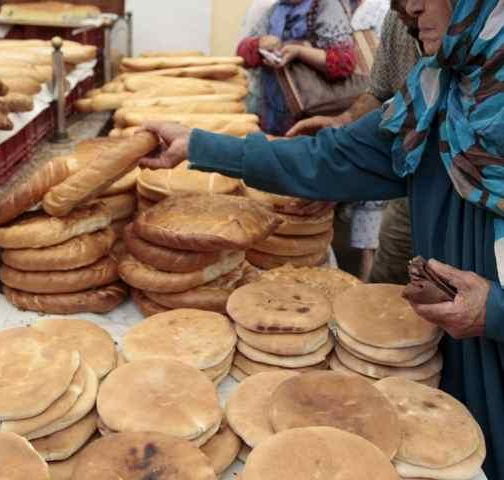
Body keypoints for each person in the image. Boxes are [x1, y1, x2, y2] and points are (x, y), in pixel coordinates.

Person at [140, 0, 504, 475]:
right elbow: (329, 159)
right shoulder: (439, 94)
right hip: (455, 354)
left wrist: (494, 310)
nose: (411, 6)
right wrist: (201, 145)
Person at [287, 4, 422, 283]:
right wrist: (344, 121)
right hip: (410, 188)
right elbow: (379, 92)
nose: (409, 8)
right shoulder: (395, 21)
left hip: (469, 195)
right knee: (388, 277)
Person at [236, 0, 357, 135]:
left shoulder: (326, 5)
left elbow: (344, 63)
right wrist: (259, 44)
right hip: (272, 112)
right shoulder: (275, 9)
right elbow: (242, 56)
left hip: (314, 116)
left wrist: (299, 52)